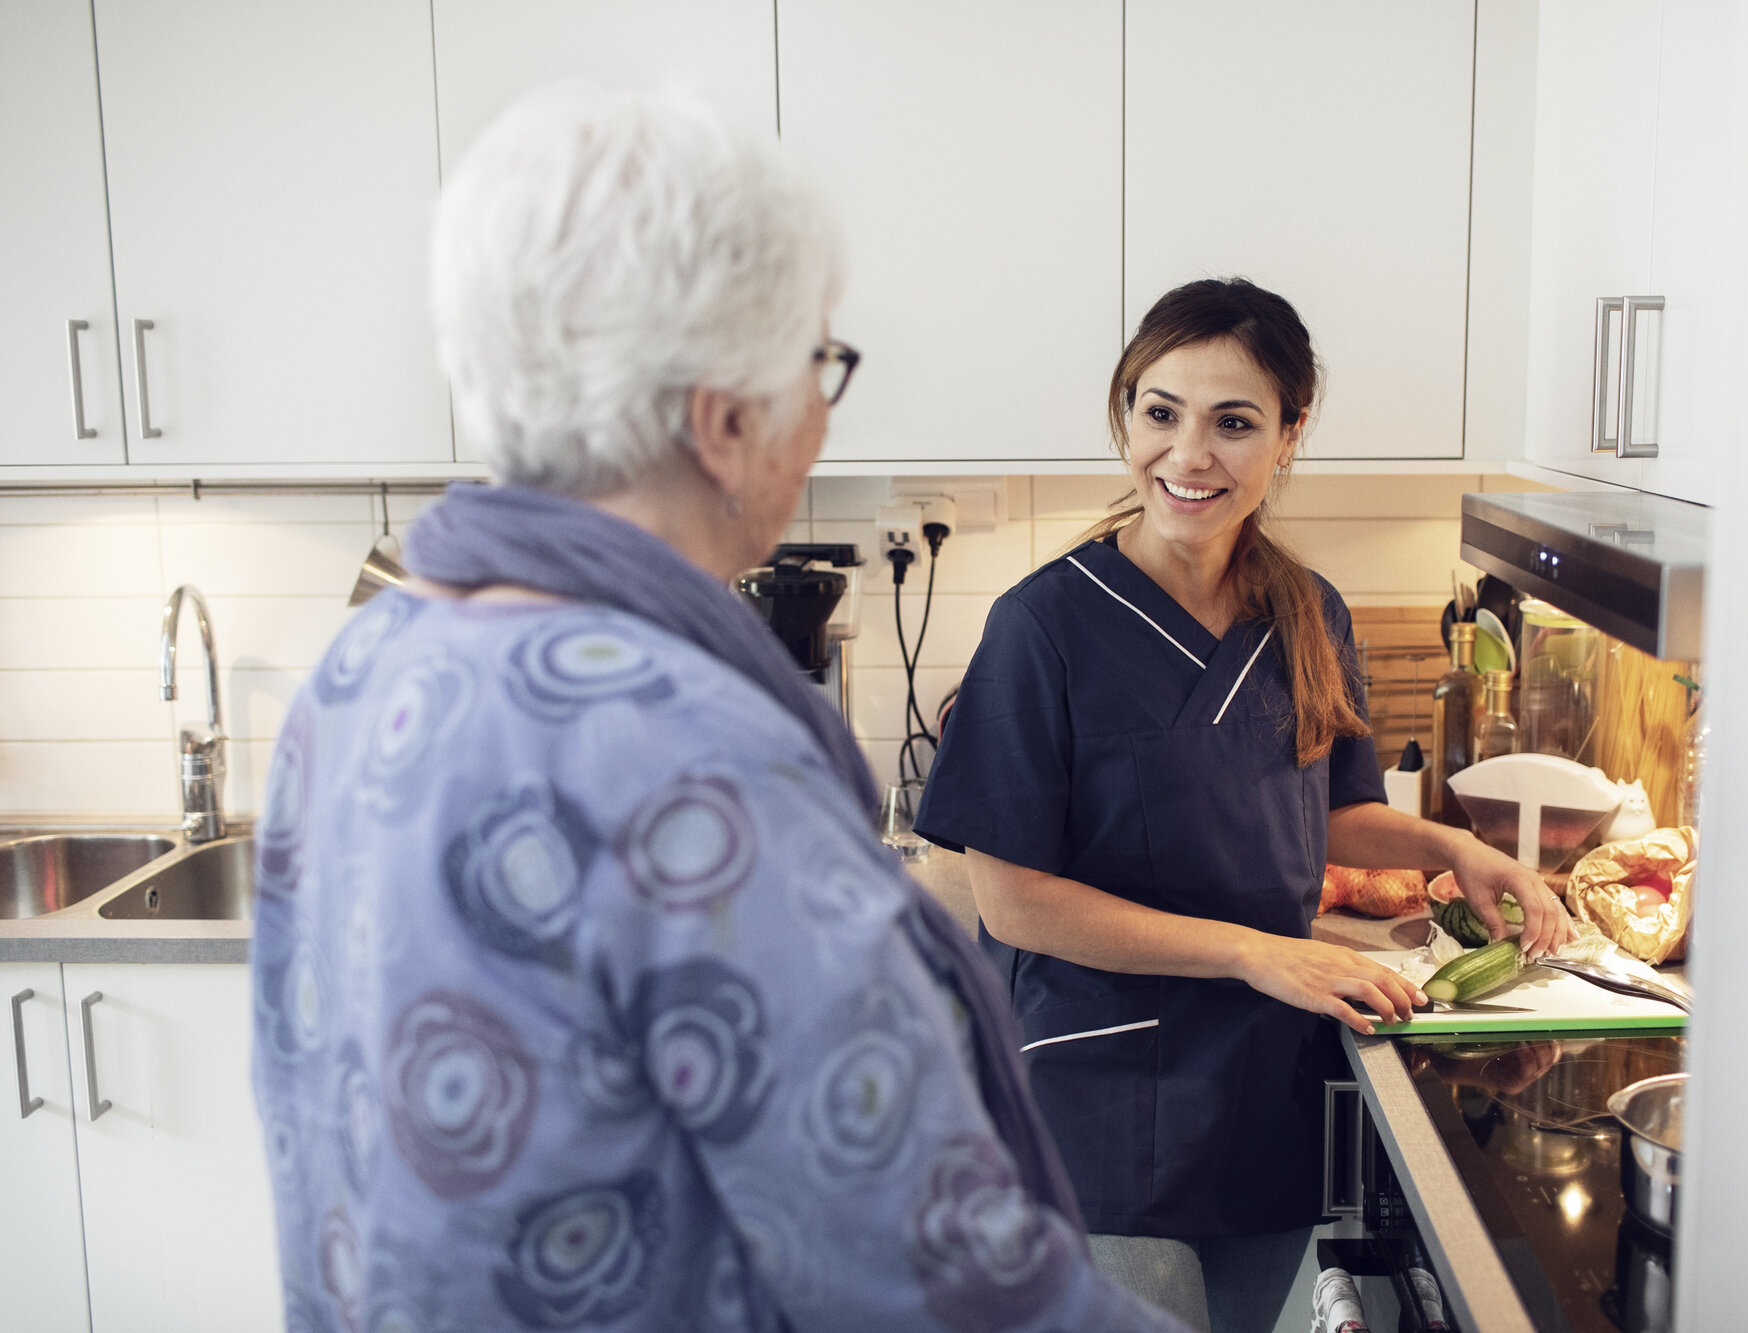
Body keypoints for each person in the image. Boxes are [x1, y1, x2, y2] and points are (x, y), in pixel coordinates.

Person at [249, 83, 1184, 1333]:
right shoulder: (687, 755)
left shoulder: (366, 665)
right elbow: (938, 1281)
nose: (821, 407)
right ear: (725, 420)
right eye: (817, 362)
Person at [914, 278, 1570, 1333]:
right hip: (1102, 1095)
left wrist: (1455, 842)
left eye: (1232, 422)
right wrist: (1254, 952)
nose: (1187, 455)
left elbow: (1333, 811)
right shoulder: (1041, 627)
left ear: (1287, 435)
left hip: (1265, 1085)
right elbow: (1013, 904)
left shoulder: (1305, 611)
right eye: (1159, 412)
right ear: (1124, 413)